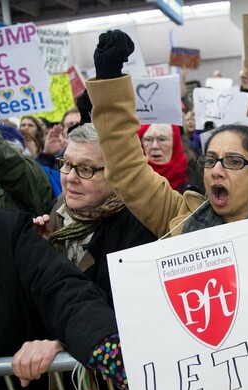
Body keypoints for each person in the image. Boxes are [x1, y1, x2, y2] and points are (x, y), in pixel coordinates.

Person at [87, 30, 248, 349]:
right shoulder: (178, 216)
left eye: (234, 161)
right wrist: (110, 82)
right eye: (211, 160)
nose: (217, 170)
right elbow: (126, 168)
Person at [0, 154, 127, 390]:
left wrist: (106, 346)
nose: (73, 177)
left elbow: (63, 291)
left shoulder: (4, 233)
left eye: (86, 168)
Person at [34, 123, 157, 308]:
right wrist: (43, 249)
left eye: (85, 169)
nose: (70, 177)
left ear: (116, 174)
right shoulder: (59, 208)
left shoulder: (139, 225)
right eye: (67, 164)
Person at [138, 123, 204, 194]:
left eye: (162, 139)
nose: (155, 146)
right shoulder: (130, 181)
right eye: (148, 139)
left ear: (175, 143)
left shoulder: (197, 185)